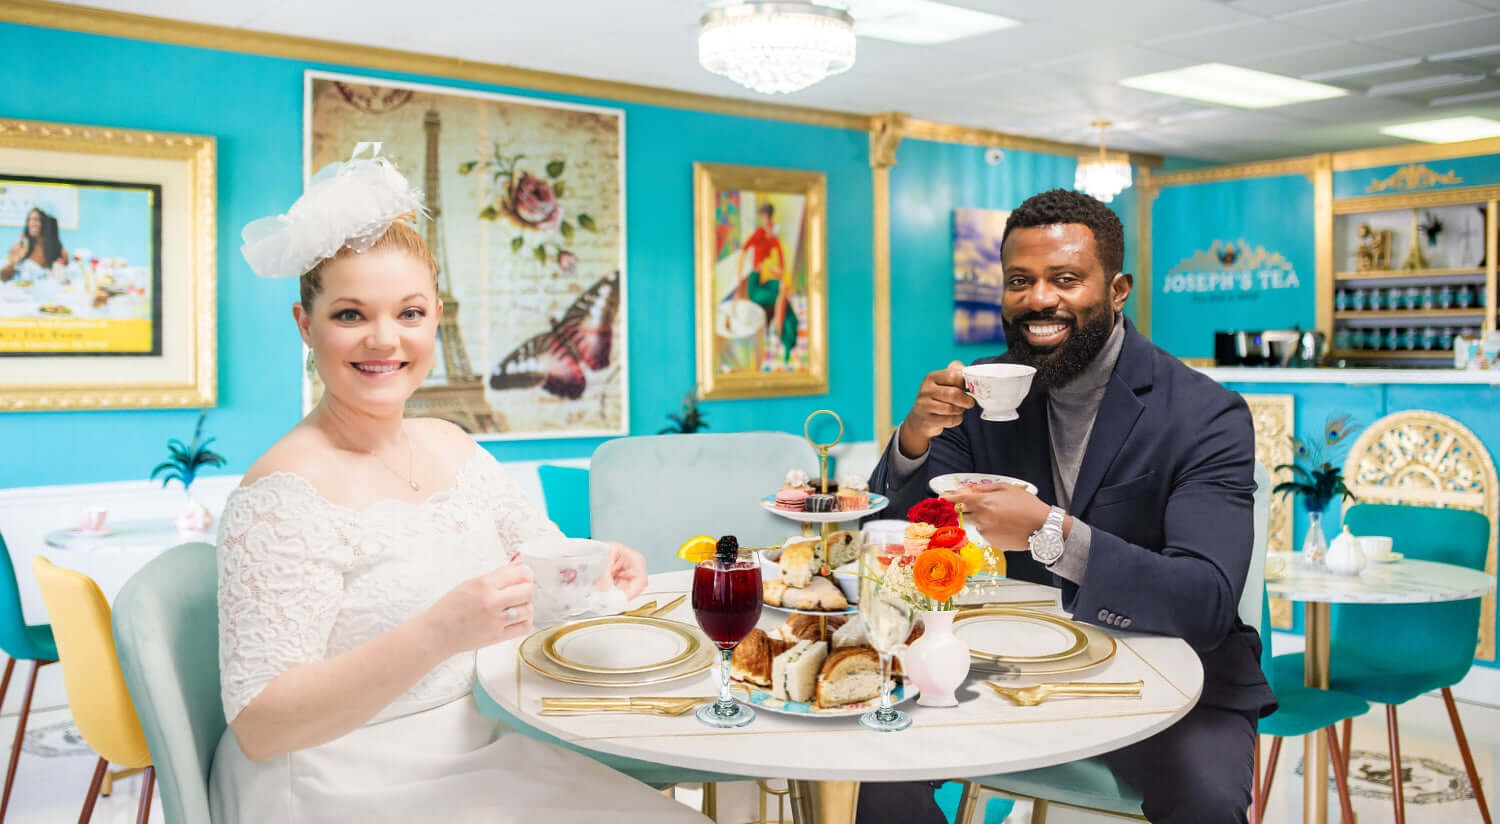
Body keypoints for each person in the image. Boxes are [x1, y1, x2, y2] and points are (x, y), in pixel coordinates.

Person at [214, 148, 708, 824]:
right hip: (341, 777)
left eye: (410, 313)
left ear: (436, 317)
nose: (384, 340)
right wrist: (441, 631)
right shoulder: (282, 494)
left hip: (488, 735)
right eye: (351, 315)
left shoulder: (453, 444)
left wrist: (595, 567)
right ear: (306, 324)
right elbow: (261, 725)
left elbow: (540, 563)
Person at [869, 189, 1275, 824]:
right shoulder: (980, 392)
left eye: (1065, 279)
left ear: (1117, 290)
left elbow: (1205, 600)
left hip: (1169, 675)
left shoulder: (1205, 413)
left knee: (1208, 800)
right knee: (878, 763)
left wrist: (1053, 534)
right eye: (1019, 281)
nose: (1039, 299)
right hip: (1000, 663)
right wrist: (914, 440)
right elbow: (893, 539)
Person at [733, 202, 798, 363]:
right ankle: (780, 337)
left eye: (766, 218)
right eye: (763, 218)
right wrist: (740, 278)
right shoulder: (759, 234)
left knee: (782, 291)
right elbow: (743, 251)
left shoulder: (774, 238)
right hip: (755, 282)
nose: (765, 221)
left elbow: (781, 267)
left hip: (768, 279)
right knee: (777, 295)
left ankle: (784, 338)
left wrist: (775, 270)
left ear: (769, 218)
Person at [2, 208, 68, 281]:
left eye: (36, 220)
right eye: (29, 220)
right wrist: (14, 262)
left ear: (44, 224)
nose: (31, 223)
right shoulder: (19, 247)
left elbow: (66, 280)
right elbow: (2, 277)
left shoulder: (59, 251)